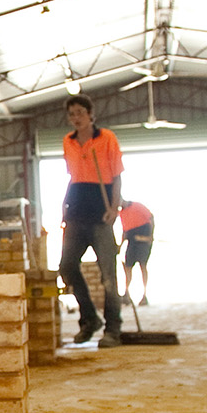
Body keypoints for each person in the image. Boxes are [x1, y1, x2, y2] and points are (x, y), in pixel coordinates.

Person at [57, 94, 124, 345]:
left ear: (90, 114)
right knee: (67, 266)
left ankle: (112, 329)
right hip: (76, 209)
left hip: (101, 209)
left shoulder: (106, 138)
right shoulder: (68, 141)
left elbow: (117, 176)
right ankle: (89, 319)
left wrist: (115, 208)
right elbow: (73, 177)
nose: (76, 118)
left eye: (80, 113)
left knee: (108, 274)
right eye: (72, 114)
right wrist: (64, 206)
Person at [118, 198, 154, 306]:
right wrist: (120, 245)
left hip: (143, 239)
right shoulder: (122, 213)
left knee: (143, 265)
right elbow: (125, 231)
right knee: (128, 266)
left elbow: (151, 218)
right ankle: (126, 294)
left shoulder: (137, 206)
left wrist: (150, 236)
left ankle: (144, 295)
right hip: (131, 240)